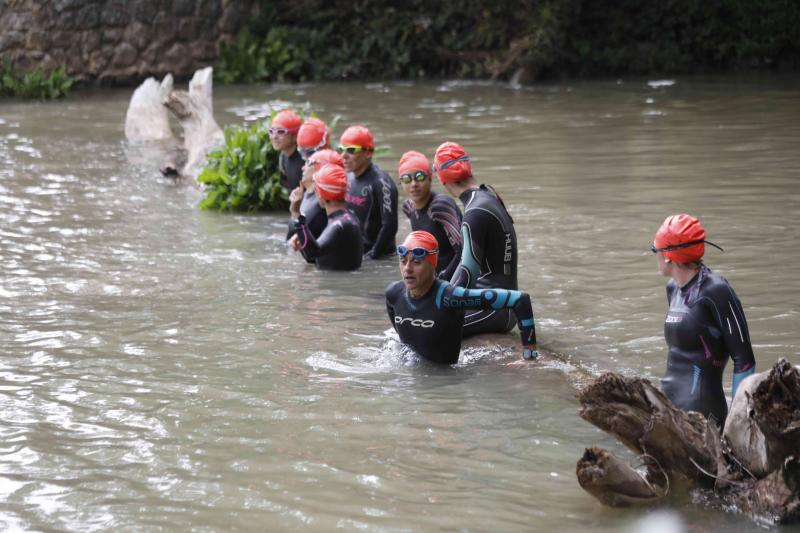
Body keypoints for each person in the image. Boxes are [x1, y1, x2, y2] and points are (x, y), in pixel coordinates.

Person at [652, 213, 756, 426]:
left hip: (701, 412)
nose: (654, 255)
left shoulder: (716, 290)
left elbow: (744, 361)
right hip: (667, 403)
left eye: (656, 249)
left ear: (668, 255)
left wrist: (736, 424)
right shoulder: (673, 289)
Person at [385, 231, 537, 365]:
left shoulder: (451, 297)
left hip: (443, 386)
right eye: (403, 261)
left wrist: (529, 356)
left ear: (433, 265)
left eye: (416, 262)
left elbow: (519, 299)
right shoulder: (394, 293)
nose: (407, 269)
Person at [433, 141, 519, 337]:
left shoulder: (474, 212)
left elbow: (468, 270)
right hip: (507, 304)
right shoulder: (488, 197)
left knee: (427, 326)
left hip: (492, 309)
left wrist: (442, 301)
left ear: (442, 179)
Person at [398, 150, 463, 279]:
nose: (414, 184)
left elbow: (463, 250)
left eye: (420, 177)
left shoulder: (440, 206)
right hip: (429, 278)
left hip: (451, 278)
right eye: (406, 179)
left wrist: (444, 280)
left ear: (430, 178)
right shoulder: (408, 207)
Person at [340, 125, 398, 259]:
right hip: (355, 254)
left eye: (351, 150)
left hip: (379, 260)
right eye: (341, 150)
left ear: (368, 153)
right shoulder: (347, 177)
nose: (344, 156)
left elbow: (390, 226)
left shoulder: (382, 183)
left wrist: (373, 257)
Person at [292, 163, 363, 271]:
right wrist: (303, 236)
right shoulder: (349, 218)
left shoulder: (339, 225)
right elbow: (314, 257)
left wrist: (296, 213)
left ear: (320, 194)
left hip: (335, 287)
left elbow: (312, 253)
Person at [287, 148, 342, 242]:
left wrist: (295, 212)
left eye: (308, 163)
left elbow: (315, 248)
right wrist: (294, 209)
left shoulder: (323, 203)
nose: (302, 167)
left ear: (321, 170)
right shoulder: (305, 195)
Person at [269, 109, 304, 191]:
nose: (274, 136)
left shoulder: (303, 164)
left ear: (295, 136)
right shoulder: (283, 156)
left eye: (281, 132)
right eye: (271, 131)